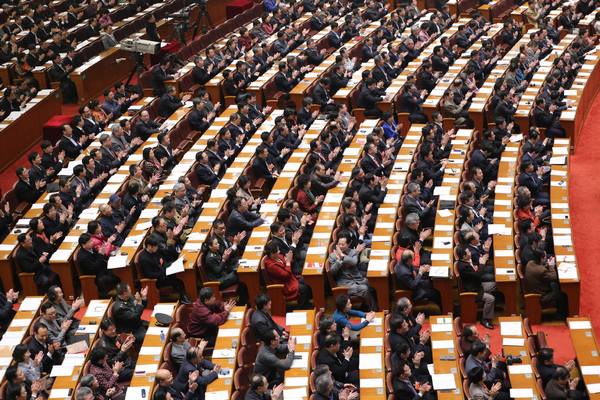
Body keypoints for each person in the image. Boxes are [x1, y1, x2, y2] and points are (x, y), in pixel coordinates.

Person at [138, 234, 191, 304]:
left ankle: (184, 296)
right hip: (157, 280)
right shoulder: (144, 258)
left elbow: (163, 261)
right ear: (149, 246)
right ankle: (183, 297)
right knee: (176, 278)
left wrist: (174, 264)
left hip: (163, 271)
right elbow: (150, 274)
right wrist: (165, 271)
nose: (157, 248)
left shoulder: (155, 251)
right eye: (155, 246)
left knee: (178, 273)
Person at [523, 246, 568, 319]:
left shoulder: (530, 263)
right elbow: (555, 277)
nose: (546, 258)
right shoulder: (541, 270)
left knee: (555, 285)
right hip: (540, 296)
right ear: (541, 258)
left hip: (534, 289)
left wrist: (547, 265)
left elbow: (540, 268)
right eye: (545, 257)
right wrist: (551, 267)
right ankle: (561, 315)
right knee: (561, 293)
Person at [328, 236, 372, 307]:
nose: (340, 246)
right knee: (365, 289)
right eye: (339, 244)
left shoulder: (352, 252)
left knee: (372, 283)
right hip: (345, 284)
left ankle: (368, 306)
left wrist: (343, 256)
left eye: (343, 244)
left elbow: (354, 262)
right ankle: (369, 309)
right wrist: (339, 261)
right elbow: (332, 271)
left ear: (348, 244)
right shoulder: (333, 256)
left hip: (358, 280)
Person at [263, 241, 310, 306]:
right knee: (303, 288)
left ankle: (307, 302)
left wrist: (289, 260)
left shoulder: (277, 256)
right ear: (272, 254)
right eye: (277, 251)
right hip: (285, 285)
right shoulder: (271, 266)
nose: (279, 252)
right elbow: (286, 275)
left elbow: (286, 261)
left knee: (307, 280)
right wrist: (288, 263)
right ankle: (302, 307)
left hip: (291, 278)